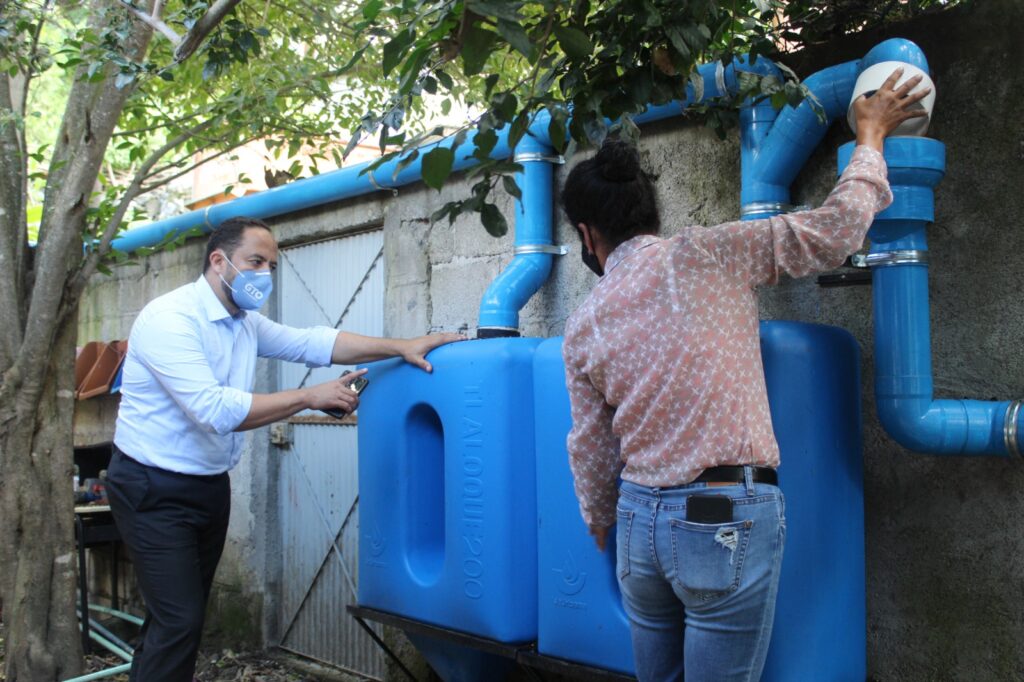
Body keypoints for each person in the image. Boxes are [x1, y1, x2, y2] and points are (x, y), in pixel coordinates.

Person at [560, 69, 929, 681]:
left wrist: (600, 517)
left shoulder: (583, 322)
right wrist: (869, 137)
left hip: (635, 525)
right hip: (718, 518)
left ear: (586, 234)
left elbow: (591, 446)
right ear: (650, 213)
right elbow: (836, 232)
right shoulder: (708, 252)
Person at [106, 216, 463, 682]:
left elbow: (313, 342)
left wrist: (401, 346)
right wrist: (309, 396)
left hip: (208, 486)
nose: (264, 275)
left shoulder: (243, 323)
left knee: (173, 620)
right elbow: (213, 409)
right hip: (151, 488)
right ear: (219, 261)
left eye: (271, 265)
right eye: (255, 261)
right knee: (179, 621)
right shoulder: (170, 320)